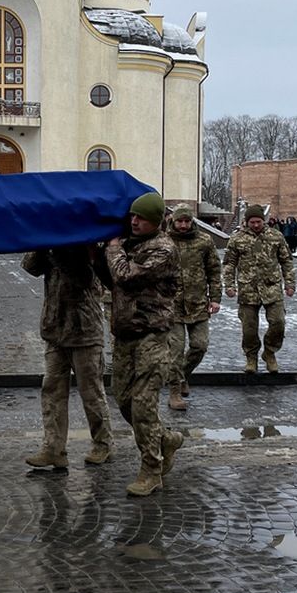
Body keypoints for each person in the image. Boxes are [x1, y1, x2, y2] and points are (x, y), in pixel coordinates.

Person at [98, 192, 183, 497]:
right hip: (125, 336)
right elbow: (110, 279)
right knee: (123, 401)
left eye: (141, 218)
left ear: (157, 221)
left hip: (151, 336)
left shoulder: (163, 249)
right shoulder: (130, 246)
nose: (134, 221)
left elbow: (125, 277)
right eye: (132, 216)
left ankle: (151, 470)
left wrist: (111, 249)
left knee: (143, 406)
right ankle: (165, 439)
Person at [21, 246, 114, 468]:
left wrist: (58, 252)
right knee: (52, 391)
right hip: (55, 330)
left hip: (84, 332)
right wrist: (43, 247)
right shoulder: (51, 247)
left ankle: (103, 444)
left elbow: (82, 278)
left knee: (91, 393)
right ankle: (53, 449)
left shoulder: (88, 249)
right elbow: (29, 267)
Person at [223, 204, 296, 374]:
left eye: (258, 221)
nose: (256, 225)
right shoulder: (237, 239)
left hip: (272, 288)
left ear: (263, 221)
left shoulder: (275, 236)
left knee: (278, 322)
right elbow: (229, 264)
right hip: (248, 289)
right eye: (252, 222)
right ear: (246, 222)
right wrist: (229, 285)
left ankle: (269, 353)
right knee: (249, 328)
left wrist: (290, 283)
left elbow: (286, 261)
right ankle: (251, 357)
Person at [166, 205, 222, 411]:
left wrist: (215, 298)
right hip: (172, 306)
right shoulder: (164, 240)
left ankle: (183, 376)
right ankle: (174, 393)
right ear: (173, 221)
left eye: (186, 221)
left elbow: (214, 271)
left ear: (192, 221)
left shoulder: (204, 241)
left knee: (200, 346)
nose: (183, 225)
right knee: (176, 351)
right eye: (179, 221)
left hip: (198, 304)